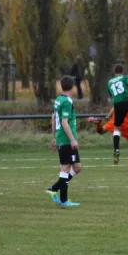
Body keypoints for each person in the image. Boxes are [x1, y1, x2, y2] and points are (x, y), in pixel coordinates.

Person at [88, 92, 128, 171]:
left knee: (101, 131)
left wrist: (109, 116)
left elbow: (116, 106)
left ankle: (98, 123)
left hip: (116, 119)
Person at [46, 76, 82, 208]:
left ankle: (59, 196)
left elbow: (53, 117)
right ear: (73, 87)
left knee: (76, 168)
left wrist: (54, 137)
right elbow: (63, 121)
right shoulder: (66, 101)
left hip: (61, 137)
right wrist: (72, 139)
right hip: (67, 139)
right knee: (67, 168)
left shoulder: (58, 100)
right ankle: (56, 192)